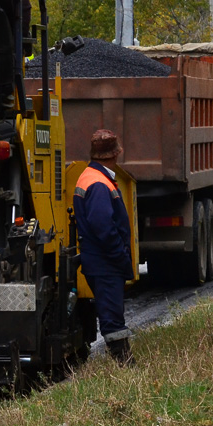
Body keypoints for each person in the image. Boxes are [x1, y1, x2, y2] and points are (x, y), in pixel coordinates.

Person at [72, 129, 134, 365]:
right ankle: (124, 365)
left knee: (111, 313)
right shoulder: (99, 183)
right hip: (105, 261)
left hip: (100, 260)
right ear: (116, 153)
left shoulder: (91, 176)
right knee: (111, 316)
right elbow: (103, 227)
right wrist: (120, 256)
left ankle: (124, 362)